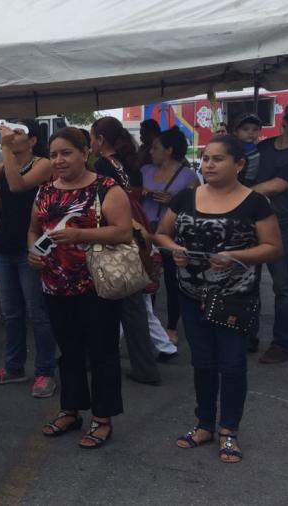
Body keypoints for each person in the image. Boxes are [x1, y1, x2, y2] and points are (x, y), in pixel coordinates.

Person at [154, 135, 282, 463]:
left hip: (234, 298)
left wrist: (236, 256)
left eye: (217, 159)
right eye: (206, 158)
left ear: (239, 164)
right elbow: (161, 233)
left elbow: (273, 248)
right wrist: (175, 250)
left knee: (233, 364)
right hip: (191, 294)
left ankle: (229, 430)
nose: (208, 165)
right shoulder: (185, 197)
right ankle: (204, 424)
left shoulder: (255, 203)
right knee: (203, 362)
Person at [30, 127, 132, 449]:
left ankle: (102, 418)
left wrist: (80, 236)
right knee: (69, 351)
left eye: (66, 153)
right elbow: (33, 230)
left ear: (85, 152)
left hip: (96, 284)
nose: (58, 160)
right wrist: (33, 252)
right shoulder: (45, 191)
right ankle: (70, 410)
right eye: (54, 154)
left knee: (102, 353)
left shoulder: (107, 188)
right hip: (55, 284)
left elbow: (123, 232)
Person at [0, 120, 58, 398]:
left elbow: (18, 185)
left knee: (37, 313)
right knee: (12, 314)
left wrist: (6, 149)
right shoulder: (5, 162)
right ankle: (14, 367)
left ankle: (45, 371)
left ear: (33, 140)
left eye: (19, 133)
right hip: (3, 247)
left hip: (29, 248)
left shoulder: (43, 164)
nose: (12, 137)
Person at [91, 116, 162, 385]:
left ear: (100, 140)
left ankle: (97, 361)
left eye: (92, 138)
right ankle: (145, 366)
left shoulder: (100, 167)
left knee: (103, 302)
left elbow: (102, 206)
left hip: (114, 236)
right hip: (137, 234)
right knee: (134, 307)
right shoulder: (129, 163)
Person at [141, 127, 200, 342]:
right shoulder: (145, 171)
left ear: (169, 150)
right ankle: (150, 325)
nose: (150, 151)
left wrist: (173, 200)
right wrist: (143, 193)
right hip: (146, 232)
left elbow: (196, 205)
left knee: (172, 281)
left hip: (171, 234)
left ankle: (172, 326)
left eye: (155, 147)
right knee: (148, 280)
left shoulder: (188, 176)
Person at [252, 101, 288, 364]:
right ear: (286, 121)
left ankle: (281, 343)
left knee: (284, 288)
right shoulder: (263, 148)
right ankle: (247, 336)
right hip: (254, 222)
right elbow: (245, 173)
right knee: (247, 283)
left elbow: (276, 186)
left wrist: (238, 194)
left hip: (285, 227)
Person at [233, 114, 262, 187]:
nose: (250, 132)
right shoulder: (232, 149)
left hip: (254, 184)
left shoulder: (261, 147)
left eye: (255, 129)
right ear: (235, 132)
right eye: (245, 129)